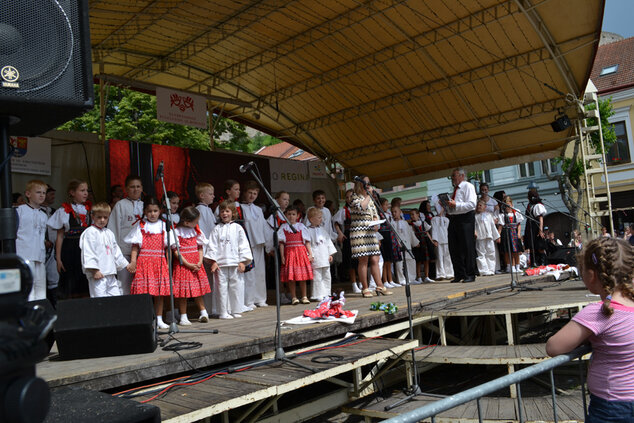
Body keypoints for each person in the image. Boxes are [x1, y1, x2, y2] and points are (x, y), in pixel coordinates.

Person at [546, 237, 634, 422]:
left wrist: (588, 334)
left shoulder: (598, 312)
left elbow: (553, 347)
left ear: (592, 276)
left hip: (612, 406)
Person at [125, 197, 174, 329]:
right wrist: (133, 262)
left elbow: (168, 247)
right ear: (145, 212)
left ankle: (159, 318)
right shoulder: (141, 225)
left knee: (159, 292)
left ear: (160, 211)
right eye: (150, 211)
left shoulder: (164, 225)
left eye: (155, 211)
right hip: (144, 261)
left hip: (159, 261)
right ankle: (146, 317)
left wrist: (168, 264)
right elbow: (135, 246)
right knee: (144, 291)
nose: (153, 214)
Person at [206, 200, 253, 319]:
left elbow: (243, 245)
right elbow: (212, 245)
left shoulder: (238, 228)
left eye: (227, 211)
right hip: (221, 264)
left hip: (235, 263)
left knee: (236, 287)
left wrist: (243, 261)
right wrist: (214, 261)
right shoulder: (216, 229)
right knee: (221, 288)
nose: (224, 214)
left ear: (233, 212)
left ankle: (235, 309)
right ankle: (223, 311)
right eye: (222, 211)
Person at [48, 179, 92, 299]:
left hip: (86, 249)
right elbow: (60, 235)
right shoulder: (64, 211)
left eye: (86, 190)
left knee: (85, 280)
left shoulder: (90, 211)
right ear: (72, 192)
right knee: (70, 280)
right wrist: (58, 259)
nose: (86, 193)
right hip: (70, 249)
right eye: (82, 190)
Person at [349, 176, 392, 297]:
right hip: (359, 231)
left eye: (369, 183)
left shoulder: (371, 200)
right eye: (366, 183)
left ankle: (380, 285)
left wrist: (376, 220)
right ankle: (365, 288)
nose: (368, 185)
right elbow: (361, 207)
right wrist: (369, 195)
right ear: (360, 184)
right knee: (363, 260)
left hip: (370, 230)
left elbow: (374, 213)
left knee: (375, 259)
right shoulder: (354, 196)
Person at [79, 202, 130, 298]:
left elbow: (115, 251)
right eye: (99, 217)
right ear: (92, 216)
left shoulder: (109, 233)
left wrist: (126, 265)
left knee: (116, 297)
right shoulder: (90, 233)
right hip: (98, 274)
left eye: (105, 217)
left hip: (110, 272)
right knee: (100, 300)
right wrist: (94, 270)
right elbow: (88, 252)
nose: (102, 220)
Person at [172, 206, 210, 325]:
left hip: (196, 263)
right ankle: (183, 316)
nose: (197, 223)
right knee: (183, 293)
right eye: (196, 221)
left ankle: (203, 312)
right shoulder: (176, 231)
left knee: (197, 290)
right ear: (187, 221)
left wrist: (199, 261)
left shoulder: (196, 230)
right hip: (183, 265)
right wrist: (187, 264)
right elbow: (176, 251)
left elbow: (200, 247)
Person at [108, 175, 144, 295]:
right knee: (124, 285)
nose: (135, 189)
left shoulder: (145, 206)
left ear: (142, 188)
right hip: (124, 253)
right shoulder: (120, 205)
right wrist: (115, 253)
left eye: (138, 186)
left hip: (144, 253)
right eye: (132, 187)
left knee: (142, 285)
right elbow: (113, 229)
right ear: (127, 189)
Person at [16, 180, 48, 301]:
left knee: (40, 288)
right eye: (38, 192)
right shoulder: (20, 211)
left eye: (44, 193)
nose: (42, 195)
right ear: (28, 194)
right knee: (28, 288)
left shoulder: (44, 215)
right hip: (24, 255)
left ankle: (39, 314)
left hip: (40, 257)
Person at [241, 180, 269, 308]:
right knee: (250, 273)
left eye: (255, 193)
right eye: (250, 193)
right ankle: (249, 300)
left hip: (259, 243)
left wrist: (268, 244)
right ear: (245, 193)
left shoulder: (258, 209)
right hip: (248, 243)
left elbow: (264, 227)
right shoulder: (241, 207)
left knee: (260, 272)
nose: (252, 196)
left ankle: (260, 298)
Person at [446, 168, 477, 283]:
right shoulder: (455, 189)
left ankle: (470, 274)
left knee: (467, 247)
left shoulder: (467, 186)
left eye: (454, 176)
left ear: (462, 176)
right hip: (454, 218)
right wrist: (447, 205)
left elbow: (472, 204)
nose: (452, 178)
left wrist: (456, 204)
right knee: (454, 247)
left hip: (465, 218)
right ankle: (459, 273)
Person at [278, 206, 313, 304]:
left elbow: (307, 242)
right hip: (289, 253)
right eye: (289, 214)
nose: (291, 216)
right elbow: (281, 244)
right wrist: (282, 256)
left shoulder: (301, 226)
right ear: (285, 215)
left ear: (298, 215)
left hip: (300, 253)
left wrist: (310, 254)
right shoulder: (283, 227)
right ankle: (294, 297)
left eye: (293, 214)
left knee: (302, 276)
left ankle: (304, 296)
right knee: (291, 277)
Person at [305, 207, 337, 301]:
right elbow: (307, 244)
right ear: (311, 219)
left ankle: (327, 293)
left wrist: (330, 254)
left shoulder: (323, 230)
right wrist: (310, 255)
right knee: (317, 276)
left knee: (327, 275)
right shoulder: (307, 230)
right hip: (316, 256)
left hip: (324, 255)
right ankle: (317, 294)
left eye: (321, 217)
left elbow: (328, 241)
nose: (321, 219)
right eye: (319, 218)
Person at [333, 189, 361, 293]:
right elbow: (335, 222)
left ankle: (361, 282)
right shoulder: (343, 211)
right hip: (349, 237)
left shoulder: (359, 208)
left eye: (351, 196)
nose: (349, 199)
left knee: (360, 260)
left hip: (359, 236)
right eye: (347, 197)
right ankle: (354, 284)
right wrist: (340, 232)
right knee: (351, 261)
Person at [391, 205, 420, 286]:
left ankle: (411, 278)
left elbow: (410, 233)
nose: (394, 213)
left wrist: (415, 242)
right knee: (399, 263)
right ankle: (401, 279)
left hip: (407, 245)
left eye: (395, 212)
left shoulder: (405, 223)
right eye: (392, 212)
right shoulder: (392, 223)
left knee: (411, 261)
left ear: (400, 212)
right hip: (398, 247)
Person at [41, 184, 59, 305]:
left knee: (54, 277)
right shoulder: (36, 211)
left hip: (53, 250)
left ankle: (55, 305)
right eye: (50, 194)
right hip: (41, 250)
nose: (53, 197)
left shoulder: (54, 211)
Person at [474, 199, 500, 276]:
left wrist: (497, 236)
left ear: (485, 207)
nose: (479, 207)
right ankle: (484, 270)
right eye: (478, 205)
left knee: (491, 253)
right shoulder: (475, 216)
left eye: (480, 205)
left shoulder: (489, 216)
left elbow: (493, 226)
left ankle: (491, 269)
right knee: (481, 254)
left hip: (489, 237)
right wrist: (474, 231)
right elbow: (473, 226)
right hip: (480, 237)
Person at [499, 195, 523, 273]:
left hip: (514, 233)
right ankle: (510, 266)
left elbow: (518, 224)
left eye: (509, 205)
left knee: (516, 251)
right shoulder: (502, 215)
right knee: (508, 251)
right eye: (506, 206)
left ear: (512, 205)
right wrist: (498, 235)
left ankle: (517, 266)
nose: (508, 208)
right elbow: (501, 226)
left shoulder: (516, 213)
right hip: (506, 233)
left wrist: (519, 233)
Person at [377, 197, 398, 288]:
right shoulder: (378, 215)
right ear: (380, 206)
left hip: (389, 236)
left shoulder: (388, 214)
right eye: (385, 204)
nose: (387, 206)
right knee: (385, 260)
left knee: (389, 260)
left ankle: (390, 279)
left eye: (387, 204)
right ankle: (384, 280)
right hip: (383, 236)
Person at [524, 191, 547, 267]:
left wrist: (540, 230)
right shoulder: (529, 205)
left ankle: (542, 262)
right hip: (529, 227)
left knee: (539, 246)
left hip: (535, 227)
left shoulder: (538, 206)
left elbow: (540, 218)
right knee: (532, 246)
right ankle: (534, 262)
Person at [431, 202, 453, 280]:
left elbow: (448, 230)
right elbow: (434, 230)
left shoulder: (446, 219)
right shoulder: (434, 219)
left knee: (447, 257)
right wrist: (435, 239)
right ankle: (440, 274)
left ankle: (449, 273)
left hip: (446, 240)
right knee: (439, 257)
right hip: (439, 241)